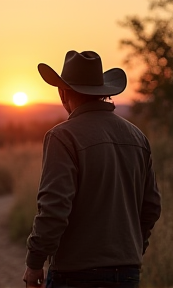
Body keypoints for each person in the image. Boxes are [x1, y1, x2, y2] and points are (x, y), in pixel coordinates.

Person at [22, 50, 161, 288]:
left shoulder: (62, 136)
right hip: (128, 273)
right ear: (103, 92)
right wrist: (134, 249)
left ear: (63, 92)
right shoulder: (138, 137)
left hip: (76, 273)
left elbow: (55, 208)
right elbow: (151, 207)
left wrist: (35, 261)